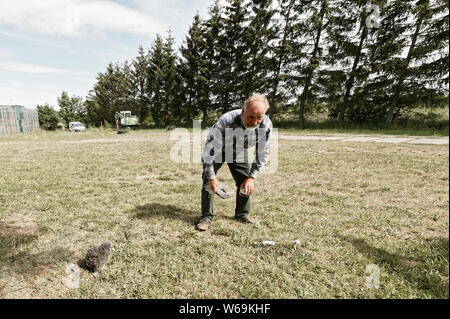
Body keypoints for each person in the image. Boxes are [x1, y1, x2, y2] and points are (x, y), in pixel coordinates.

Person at [196, 93, 273, 231]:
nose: (255, 122)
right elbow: (208, 153)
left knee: (245, 180)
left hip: (239, 150)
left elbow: (262, 153)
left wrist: (252, 177)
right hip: (219, 149)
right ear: (243, 111)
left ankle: (242, 214)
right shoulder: (225, 121)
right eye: (251, 117)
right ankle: (206, 217)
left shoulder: (266, 126)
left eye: (259, 118)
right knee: (208, 180)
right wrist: (213, 178)